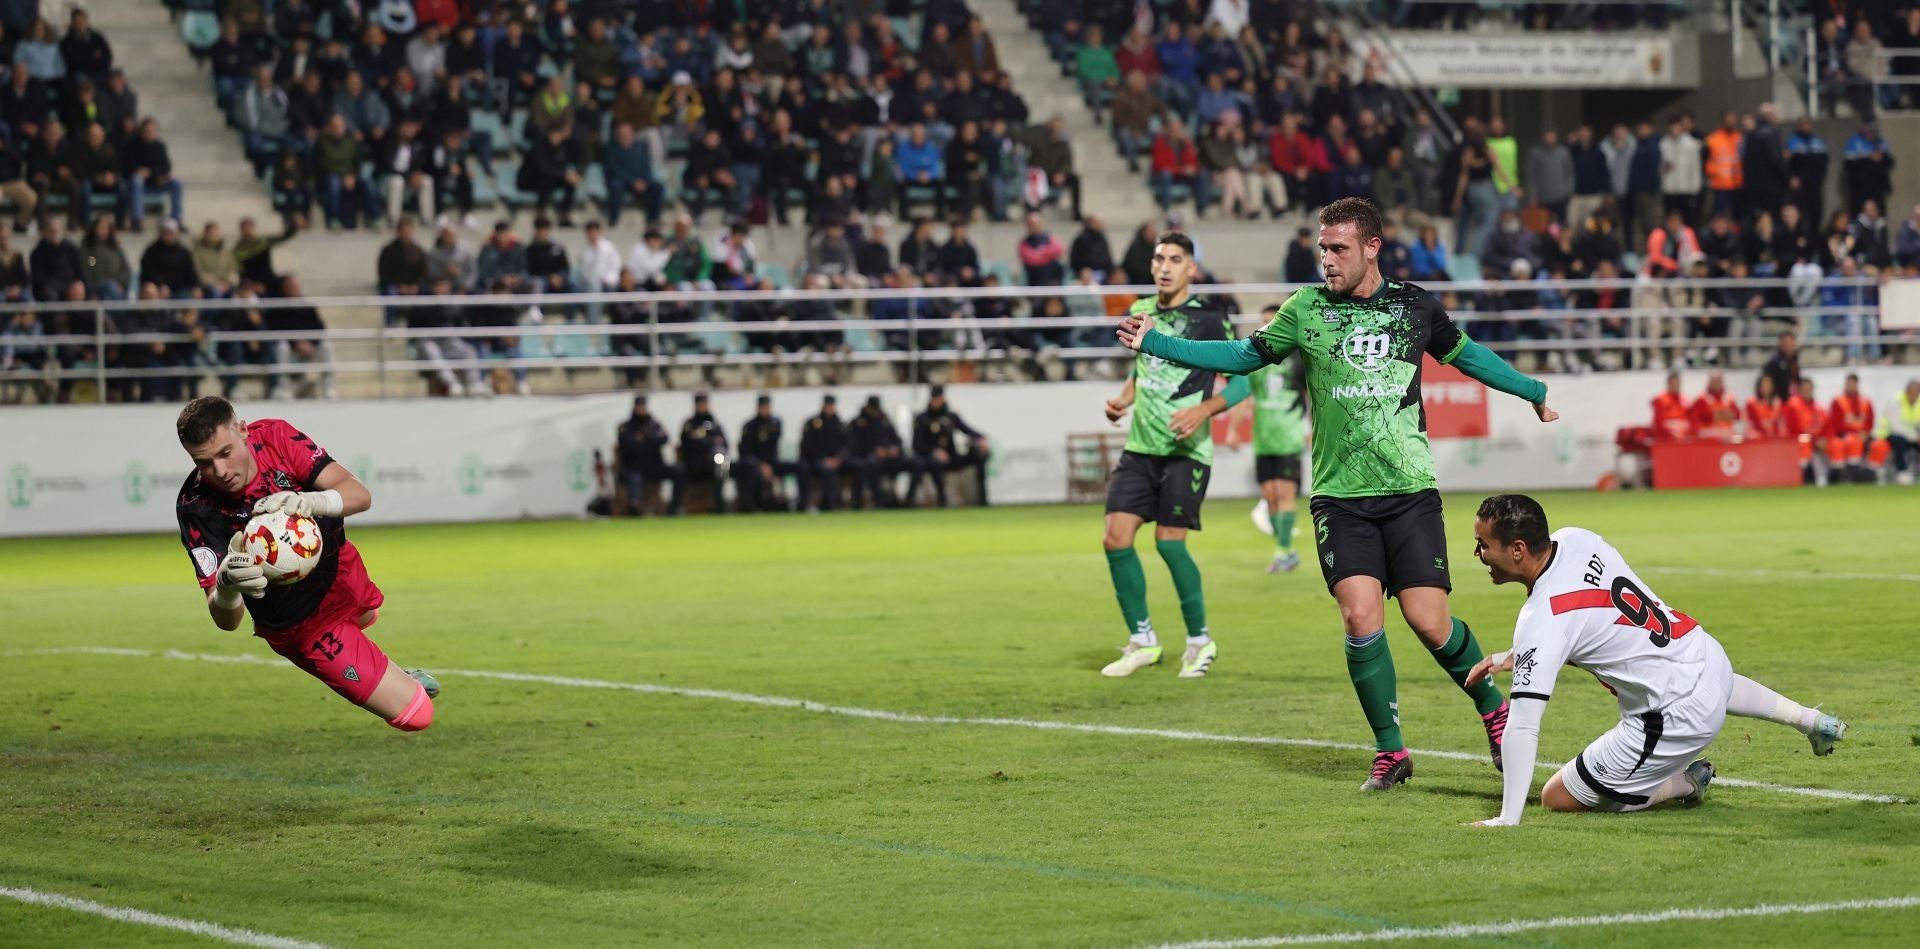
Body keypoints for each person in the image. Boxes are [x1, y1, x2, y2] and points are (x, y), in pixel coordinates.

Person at [1117, 197, 1559, 789]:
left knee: (1429, 622)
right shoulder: (1306, 309)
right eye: (1322, 248)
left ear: (1372, 247)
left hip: (1409, 491)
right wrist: (1157, 343)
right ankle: (1391, 750)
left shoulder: (1413, 307)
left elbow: (1467, 355)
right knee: (1360, 619)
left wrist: (1529, 388)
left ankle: (1492, 711)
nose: (1326, 259)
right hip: (1339, 498)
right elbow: (1244, 355)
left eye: (1338, 248)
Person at [1461, 495, 1847, 826]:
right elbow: (1596, 621)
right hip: (1704, 652)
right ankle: (1810, 720)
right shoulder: (1576, 538)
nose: (1477, 553)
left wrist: (1507, 818)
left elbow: (1524, 725)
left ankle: (1684, 783)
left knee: (1559, 796)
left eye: (1483, 544)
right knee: (1703, 677)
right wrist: (1517, 656)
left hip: (1674, 717)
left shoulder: (1542, 618)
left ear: (1517, 550)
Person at [173, 397, 438, 730]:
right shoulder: (196, 508)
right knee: (416, 715)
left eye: (225, 453)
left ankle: (390, 676)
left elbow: (359, 494)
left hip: (342, 571)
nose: (220, 471)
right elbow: (225, 621)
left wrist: (314, 501)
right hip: (306, 626)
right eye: (204, 462)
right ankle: (398, 684)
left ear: (243, 431)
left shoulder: (276, 438)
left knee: (368, 615)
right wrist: (227, 587)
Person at [1097, 232, 1249, 680]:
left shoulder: (1210, 319)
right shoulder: (1140, 311)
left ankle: (1200, 640)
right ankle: (1142, 640)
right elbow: (1142, 368)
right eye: (1159, 258)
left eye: (1176, 259)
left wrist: (1203, 410)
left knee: (1168, 542)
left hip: (1186, 452)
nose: (1165, 266)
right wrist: (1123, 400)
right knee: (1114, 538)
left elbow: (1240, 383)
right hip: (1140, 447)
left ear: (1191, 270)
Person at [1246, 336, 1307, 574]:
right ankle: (1286, 551)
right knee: (1270, 497)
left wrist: (1311, 428)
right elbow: (1245, 394)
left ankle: (1283, 550)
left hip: (1289, 437)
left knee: (1284, 493)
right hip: (1263, 439)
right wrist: (1232, 429)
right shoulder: (1256, 363)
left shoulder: (1297, 361)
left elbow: (1313, 393)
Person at [910, 385, 992, 509]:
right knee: (933, 463)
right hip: (932, 459)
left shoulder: (951, 416)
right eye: (937, 398)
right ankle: (942, 499)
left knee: (979, 456)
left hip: (952, 457)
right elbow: (917, 445)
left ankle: (982, 499)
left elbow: (967, 430)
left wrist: (981, 439)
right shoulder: (922, 419)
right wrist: (934, 451)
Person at [615, 395, 684, 515]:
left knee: (679, 470)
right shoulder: (626, 426)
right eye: (639, 406)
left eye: (643, 406)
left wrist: (644, 439)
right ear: (634, 408)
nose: (641, 409)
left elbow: (664, 438)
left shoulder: (653, 424)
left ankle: (675, 506)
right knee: (635, 477)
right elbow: (629, 444)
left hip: (654, 467)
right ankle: (634, 508)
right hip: (634, 467)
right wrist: (650, 440)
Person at [735, 394, 798, 512]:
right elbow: (745, 451)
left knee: (801, 466)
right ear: (758, 408)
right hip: (754, 464)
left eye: (767, 407)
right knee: (753, 474)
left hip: (772, 463)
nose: (766, 409)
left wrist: (769, 466)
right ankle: (753, 507)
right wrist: (761, 465)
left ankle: (801, 505)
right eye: (763, 407)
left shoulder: (775, 423)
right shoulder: (750, 426)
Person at [847, 395, 912, 509]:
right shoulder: (858, 423)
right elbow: (854, 446)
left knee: (916, 464)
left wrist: (895, 449)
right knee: (870, 465)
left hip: (889, 458)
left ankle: (907, 500)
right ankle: (877, 500)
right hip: (869, 458)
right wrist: (874, 451)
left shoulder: (884, 420)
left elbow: (896, 440)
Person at [679, 392, 730, 512]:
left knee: (723, 462)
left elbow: (725, 444)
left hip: (713, 463)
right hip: (695, 463)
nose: (703, 406)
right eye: (700, 404)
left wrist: (704, 440)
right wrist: (712, 441)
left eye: (705, 403)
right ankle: (677, 507)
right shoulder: (690, 424)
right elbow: (689, 443)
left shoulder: (715, 423)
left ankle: (719, 503)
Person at [799, 394, 849, 513]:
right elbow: (807, 445)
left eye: (831, 406)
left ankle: (851, 503)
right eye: (828, 405)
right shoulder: (813, 423)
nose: (829, 408)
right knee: (826, 471)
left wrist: (839, 458)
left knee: (859, 466)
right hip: (816, 460)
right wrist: (823, 459)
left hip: (837, 460)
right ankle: (826, 504)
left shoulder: (840, 424)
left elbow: (848, 445)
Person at [1828, 372, 1875, 484]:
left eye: (1853, 383)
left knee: (1880, 445)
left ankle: (1871, 473)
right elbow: (1836, 423)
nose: (1851, 386)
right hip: (1844, 435)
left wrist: (1865, 433)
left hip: (1863, 435)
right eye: (1849, 383)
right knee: (1852, 441)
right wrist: (1854, 433)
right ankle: (1851, 473)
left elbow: (1870, 420)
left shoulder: (1865, 401)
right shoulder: (1838, 401)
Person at [1878, 378, 1920, 480]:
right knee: (1899, 440)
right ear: (1907, 390)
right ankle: (1902, 472)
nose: (1913, 393)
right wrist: (1916, 437)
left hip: (1912, 436)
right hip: (1889, 434)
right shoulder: (1896, 400)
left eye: (1916, 391)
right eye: (1911, 390)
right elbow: (1896, 426)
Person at [1687, 371, 1739, 441]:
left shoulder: (1729, 398)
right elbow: (1694, 420)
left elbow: (1737, 415)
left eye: (1719, 381)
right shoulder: (1701, 399)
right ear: (1710, 382)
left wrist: (1716, 415)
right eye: (1714, 381)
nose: (1716, 383)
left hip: (1727, 440)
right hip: (1708, 442)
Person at [1650, 371, 1691, 441]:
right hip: (1666, 439)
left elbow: (1690, 420)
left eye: (1677, 383)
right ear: (1668, 384)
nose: (1675, 386)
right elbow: (1658, 423)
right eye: (1673, 383)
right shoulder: (1660, 400)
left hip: (1683, 438)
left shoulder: (1685, 400)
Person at [1745, 373, 1787, 440]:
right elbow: (1748, 423)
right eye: (1764, 385)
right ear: (1759, 387)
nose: (1766, 388)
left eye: (1769, 385)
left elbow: (1781, 423)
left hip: (1774, 439)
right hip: (1757, 438)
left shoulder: (1777, 402)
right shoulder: (1751, 402)